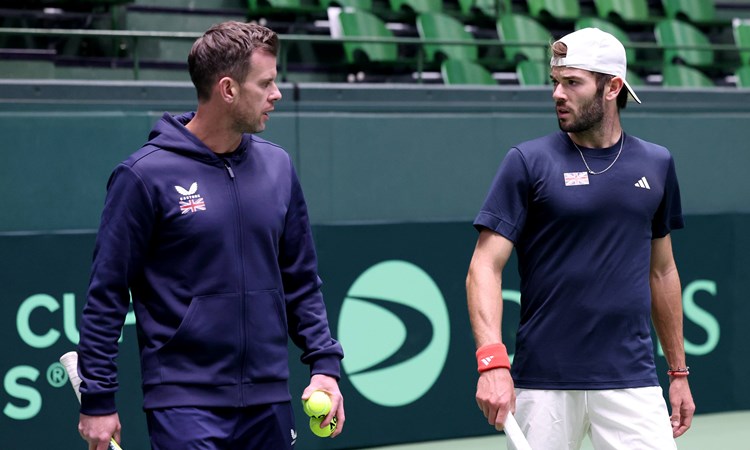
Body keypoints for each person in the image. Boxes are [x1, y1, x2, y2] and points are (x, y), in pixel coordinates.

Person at [75, 21, 345, 450]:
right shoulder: (143, 176)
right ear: (228, 89)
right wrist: (98, 400)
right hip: (185, 405)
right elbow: (106, 294)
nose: (277, 94)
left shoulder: (278, 168)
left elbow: (301, 280)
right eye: (267, 83)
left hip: (269, 400)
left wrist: (325, 365)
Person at [466, 27, 695, 449]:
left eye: (572, 82)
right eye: (555, 82)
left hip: (632, 381)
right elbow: (484, 266)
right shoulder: (526, 161)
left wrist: (678, 373)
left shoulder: (658, 163)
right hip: (544, 384)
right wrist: (492, 362)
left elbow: (662, 272)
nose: (557, 93)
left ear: (612, 88)